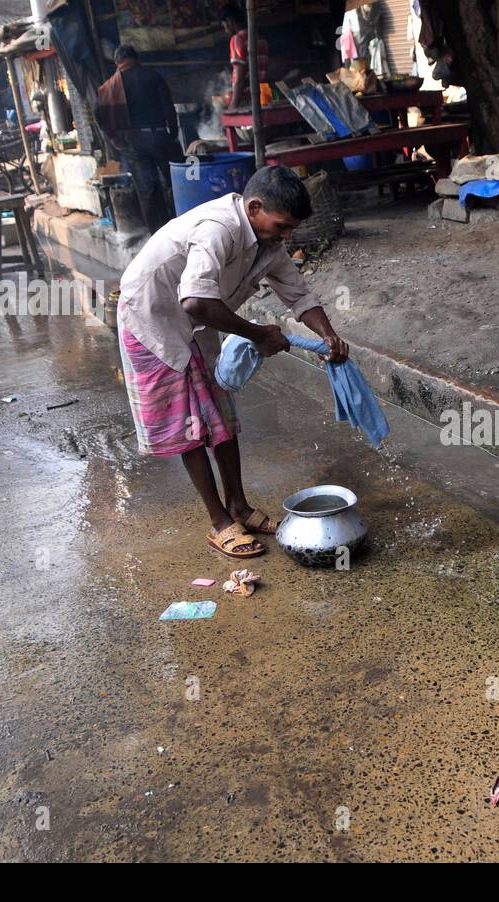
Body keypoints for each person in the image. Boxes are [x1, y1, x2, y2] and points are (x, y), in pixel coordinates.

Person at [116, 165, 348, 559]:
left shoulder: (268, 243)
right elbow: (194, 301)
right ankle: (220, 522)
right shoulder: (217, 228)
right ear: (254, 207)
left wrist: (328, 335)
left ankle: (238, 505)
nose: (287, 235)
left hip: (196, 322)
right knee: (188, 426)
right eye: (282, 225)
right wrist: (258, 334)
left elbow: (300, 296)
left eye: (291, 228)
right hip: (152, 319)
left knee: (220, 415)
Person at [96, 45, 183, 233]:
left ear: (117, 62)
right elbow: (169, 107)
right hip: (160, 136)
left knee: (147, 190)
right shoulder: (153, 76)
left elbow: (100, 116)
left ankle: (159, 234)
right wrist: (172, 135)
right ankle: (182, 225)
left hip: (133, 143)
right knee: (175, 182)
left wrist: (118, 142)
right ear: (136, 58)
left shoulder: (110, 86)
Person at [221, 3, 269, 111]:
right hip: (263, 98)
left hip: (247, 101)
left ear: (230, 21)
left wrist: (233, 107)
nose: (225, 30)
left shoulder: (237, 39)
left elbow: (239, 78)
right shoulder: (261, 39)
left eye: (224, 25)